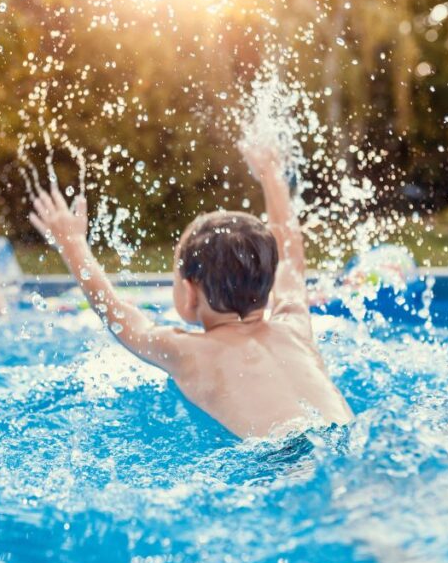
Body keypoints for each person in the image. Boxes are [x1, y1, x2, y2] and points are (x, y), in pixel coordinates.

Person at [28, 144, 353, 439]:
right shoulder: (295, 325)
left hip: (285, 460)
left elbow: (116, 313)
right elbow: (291, 255)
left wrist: (72, 246)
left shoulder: (189, 352)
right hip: (345, 438)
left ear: (189, 291)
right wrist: (270, 175)